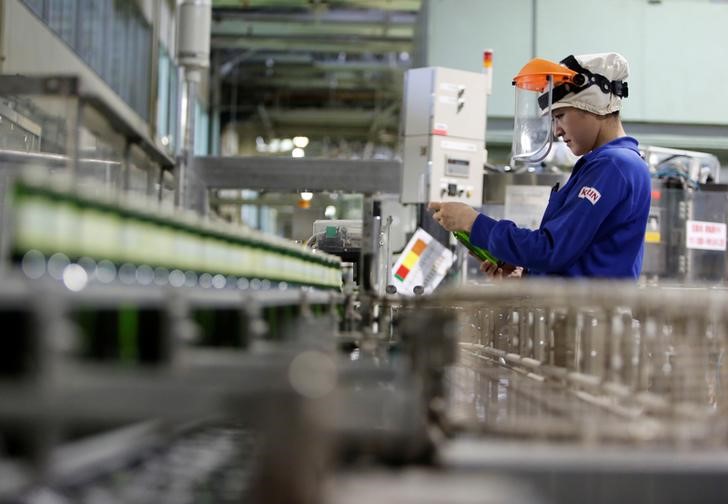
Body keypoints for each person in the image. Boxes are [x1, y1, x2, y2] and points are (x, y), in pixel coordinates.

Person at [429, 53, 650, 279]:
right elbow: (577, 258)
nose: (556, 131)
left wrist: (473, 223)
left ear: (593, 106)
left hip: (587, 313)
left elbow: (551, 250)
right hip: (578, 310)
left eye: (560, 116)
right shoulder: (608, 164)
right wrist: (527, 278)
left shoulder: (614, 165)